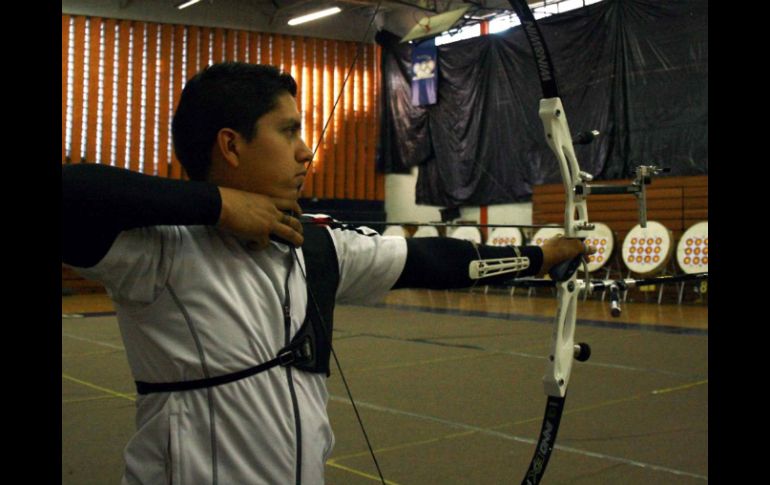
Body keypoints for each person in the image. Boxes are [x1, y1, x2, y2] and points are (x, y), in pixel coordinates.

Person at [62, 62, 592, 485]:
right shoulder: (157, 250)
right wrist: (219, 205)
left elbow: (432, 261)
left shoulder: (316, 247)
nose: (304, 150)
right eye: (288, 130)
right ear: (230, 144)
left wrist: (541, 257)